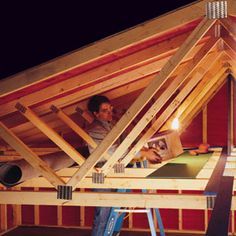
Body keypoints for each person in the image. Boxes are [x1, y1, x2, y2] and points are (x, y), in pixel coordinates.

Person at [86, 95, 162, 236]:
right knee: (103, 214)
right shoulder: (95, 129)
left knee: (115, 209)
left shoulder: (112, 125)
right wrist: (144, 154)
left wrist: (144, 149)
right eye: (104, 110)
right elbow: (116, 151)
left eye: (110, 108)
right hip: (101, 172)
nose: (109, 112)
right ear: (96, 114)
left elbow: (126, 143)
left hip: (114, 170)